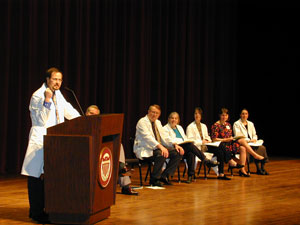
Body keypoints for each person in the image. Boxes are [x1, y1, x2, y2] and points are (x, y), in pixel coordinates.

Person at [21, 67, 81, 223]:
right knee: (36, 178)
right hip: (40, 140)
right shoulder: (38, 95)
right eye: (55, 79)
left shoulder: (59, 95)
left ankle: (49, 208)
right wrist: (47, 100)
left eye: (60, 80)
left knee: (50, 178)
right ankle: (36, 212)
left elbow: (69, 111)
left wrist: (84, 121)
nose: (58, 82)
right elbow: (41, 119)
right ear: (47, 79)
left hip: (55, 141)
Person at [85, 105, 138, 195]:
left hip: (100, 149)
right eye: (91, 113)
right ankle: (124, 178)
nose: (93, 116)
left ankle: (121, 167)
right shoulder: (79, 123)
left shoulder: (100, 125)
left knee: (118, 145)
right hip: (87, 150)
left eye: (96, 115)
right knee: (118, 166)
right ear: (86, 113)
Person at [133, 104, 182, 186]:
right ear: (148, 112)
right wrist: (161, 147)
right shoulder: (142, 122)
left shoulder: (158, 123)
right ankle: (154, 179)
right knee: (161, 154)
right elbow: (148, 138)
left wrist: (174, 144)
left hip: (157, 149)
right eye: (153, 112)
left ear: (159, 115)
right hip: (145, 149)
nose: (154, 115)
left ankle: (164, 176)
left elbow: (164, 137)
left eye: (157, 113)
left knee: (177, 152)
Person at [163, 112, 219, 183]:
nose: (174, 120)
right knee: (190, 146)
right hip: (174, 147)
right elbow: (167, 140)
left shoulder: (179, 127)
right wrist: (178, 144)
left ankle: (190, 176)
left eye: (176, 118)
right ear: (168, 119)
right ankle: (205, 160)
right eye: (172, 118)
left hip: (183, 147)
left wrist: (188, 141)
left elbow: (185, 138)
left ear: (178, 120)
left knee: (191, 152)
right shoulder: (165, 128)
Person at [211, 108, 266, 177]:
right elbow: (214, 139)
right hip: (222, 145)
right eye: (222, 115)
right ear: (219, 116)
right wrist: (226, 139)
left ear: (228, 116)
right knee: (241, 140)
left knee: (243, 148)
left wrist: (231, 138)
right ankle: (255, 155)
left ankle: (242, 170)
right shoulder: (216, 125)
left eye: (225, 115)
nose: (224, 117)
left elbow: (231, 136)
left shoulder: (228, 124)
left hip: (230, 143)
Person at [186, 107, 233, 180]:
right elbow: (190, 141)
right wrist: (201, 142)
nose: (197, 115)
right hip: (197, 148)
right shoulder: (190, 127)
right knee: (220, 147)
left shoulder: (204, 126)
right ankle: (230, 160)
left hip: (206, 146)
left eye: (198, 114)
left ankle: (221, 173)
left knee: (220, 149)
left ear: (201, 116)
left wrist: (207, 140)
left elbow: (207, 136)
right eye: (195, 113)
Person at [233, 109, 269, 175]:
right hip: (242, 142)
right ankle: (255, 159)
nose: (244, 115)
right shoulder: (236, 123)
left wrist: (254, 139)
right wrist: (249, 140)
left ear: (248, 115)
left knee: (262, 148)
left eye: (246, 114)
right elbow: (238, 135)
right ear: (240, 115)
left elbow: (254, 134)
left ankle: (261, 168)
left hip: (252, 142)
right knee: (247, 148)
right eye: (243, 114)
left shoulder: (251, 123)